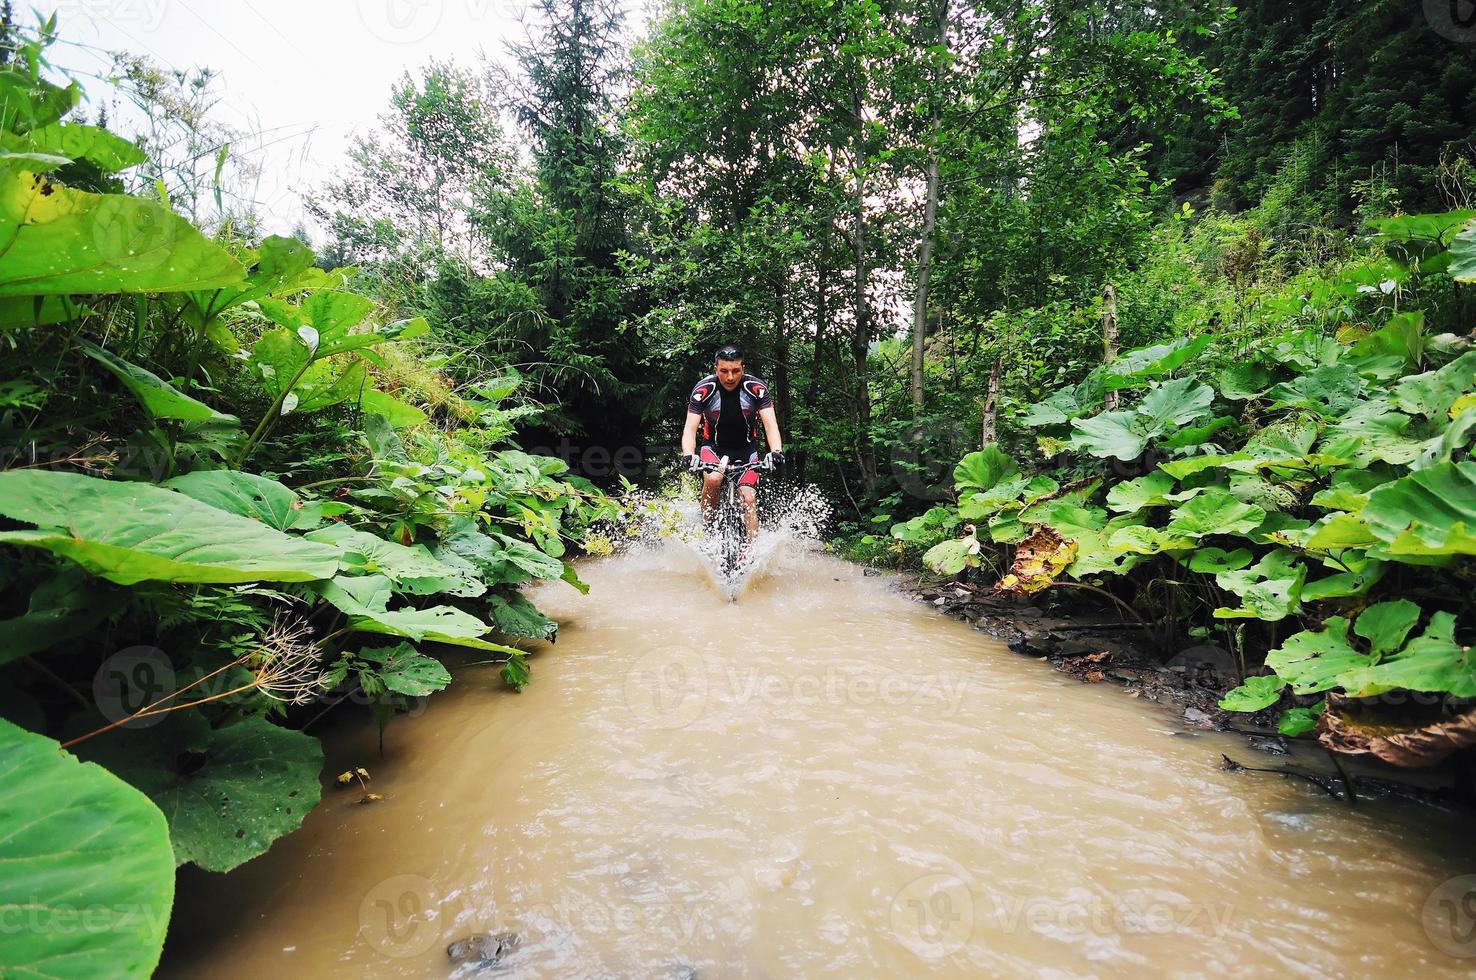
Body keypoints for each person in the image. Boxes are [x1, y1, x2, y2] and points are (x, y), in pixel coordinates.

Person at [680, 344, 785, 546]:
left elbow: (771, 426)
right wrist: (688, 454)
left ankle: (752, 552)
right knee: (713, 479)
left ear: (743, 368)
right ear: (715, 369)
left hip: (746, 450)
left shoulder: (756, 389)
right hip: (714, 448)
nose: (730, 377)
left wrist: (776, 452)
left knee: (748, 497)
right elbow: (690, 428)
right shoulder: (704, 389)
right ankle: (708, 532)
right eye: (724, 371)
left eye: (736, 371)